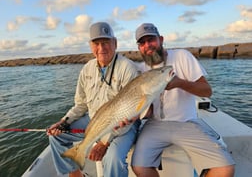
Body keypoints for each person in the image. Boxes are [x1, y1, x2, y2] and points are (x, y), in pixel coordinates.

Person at [131, 23, 235, 177]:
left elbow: (207, 91)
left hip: (186, 121)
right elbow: (146, 110)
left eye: (151, 39)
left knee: (225, 168)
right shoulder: (140, 70)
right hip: (155, 124)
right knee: (139, 167)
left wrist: (179, 83)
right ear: (139, 47)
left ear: (160, 39)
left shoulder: (182, 56)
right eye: (142, 43)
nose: (147, 45)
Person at [47, 22, 140, 177]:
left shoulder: (127, 68)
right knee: (56, 136)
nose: (101, 48)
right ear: (91, 46)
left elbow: (130, 113)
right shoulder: (87, 68)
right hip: (94, 120)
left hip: (124, 124)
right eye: (96, 43)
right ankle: (76, 175)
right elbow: (81, 104)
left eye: (105, 43)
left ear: (115, 43)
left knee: (113, 158)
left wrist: (104, 142)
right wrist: (64, 122)